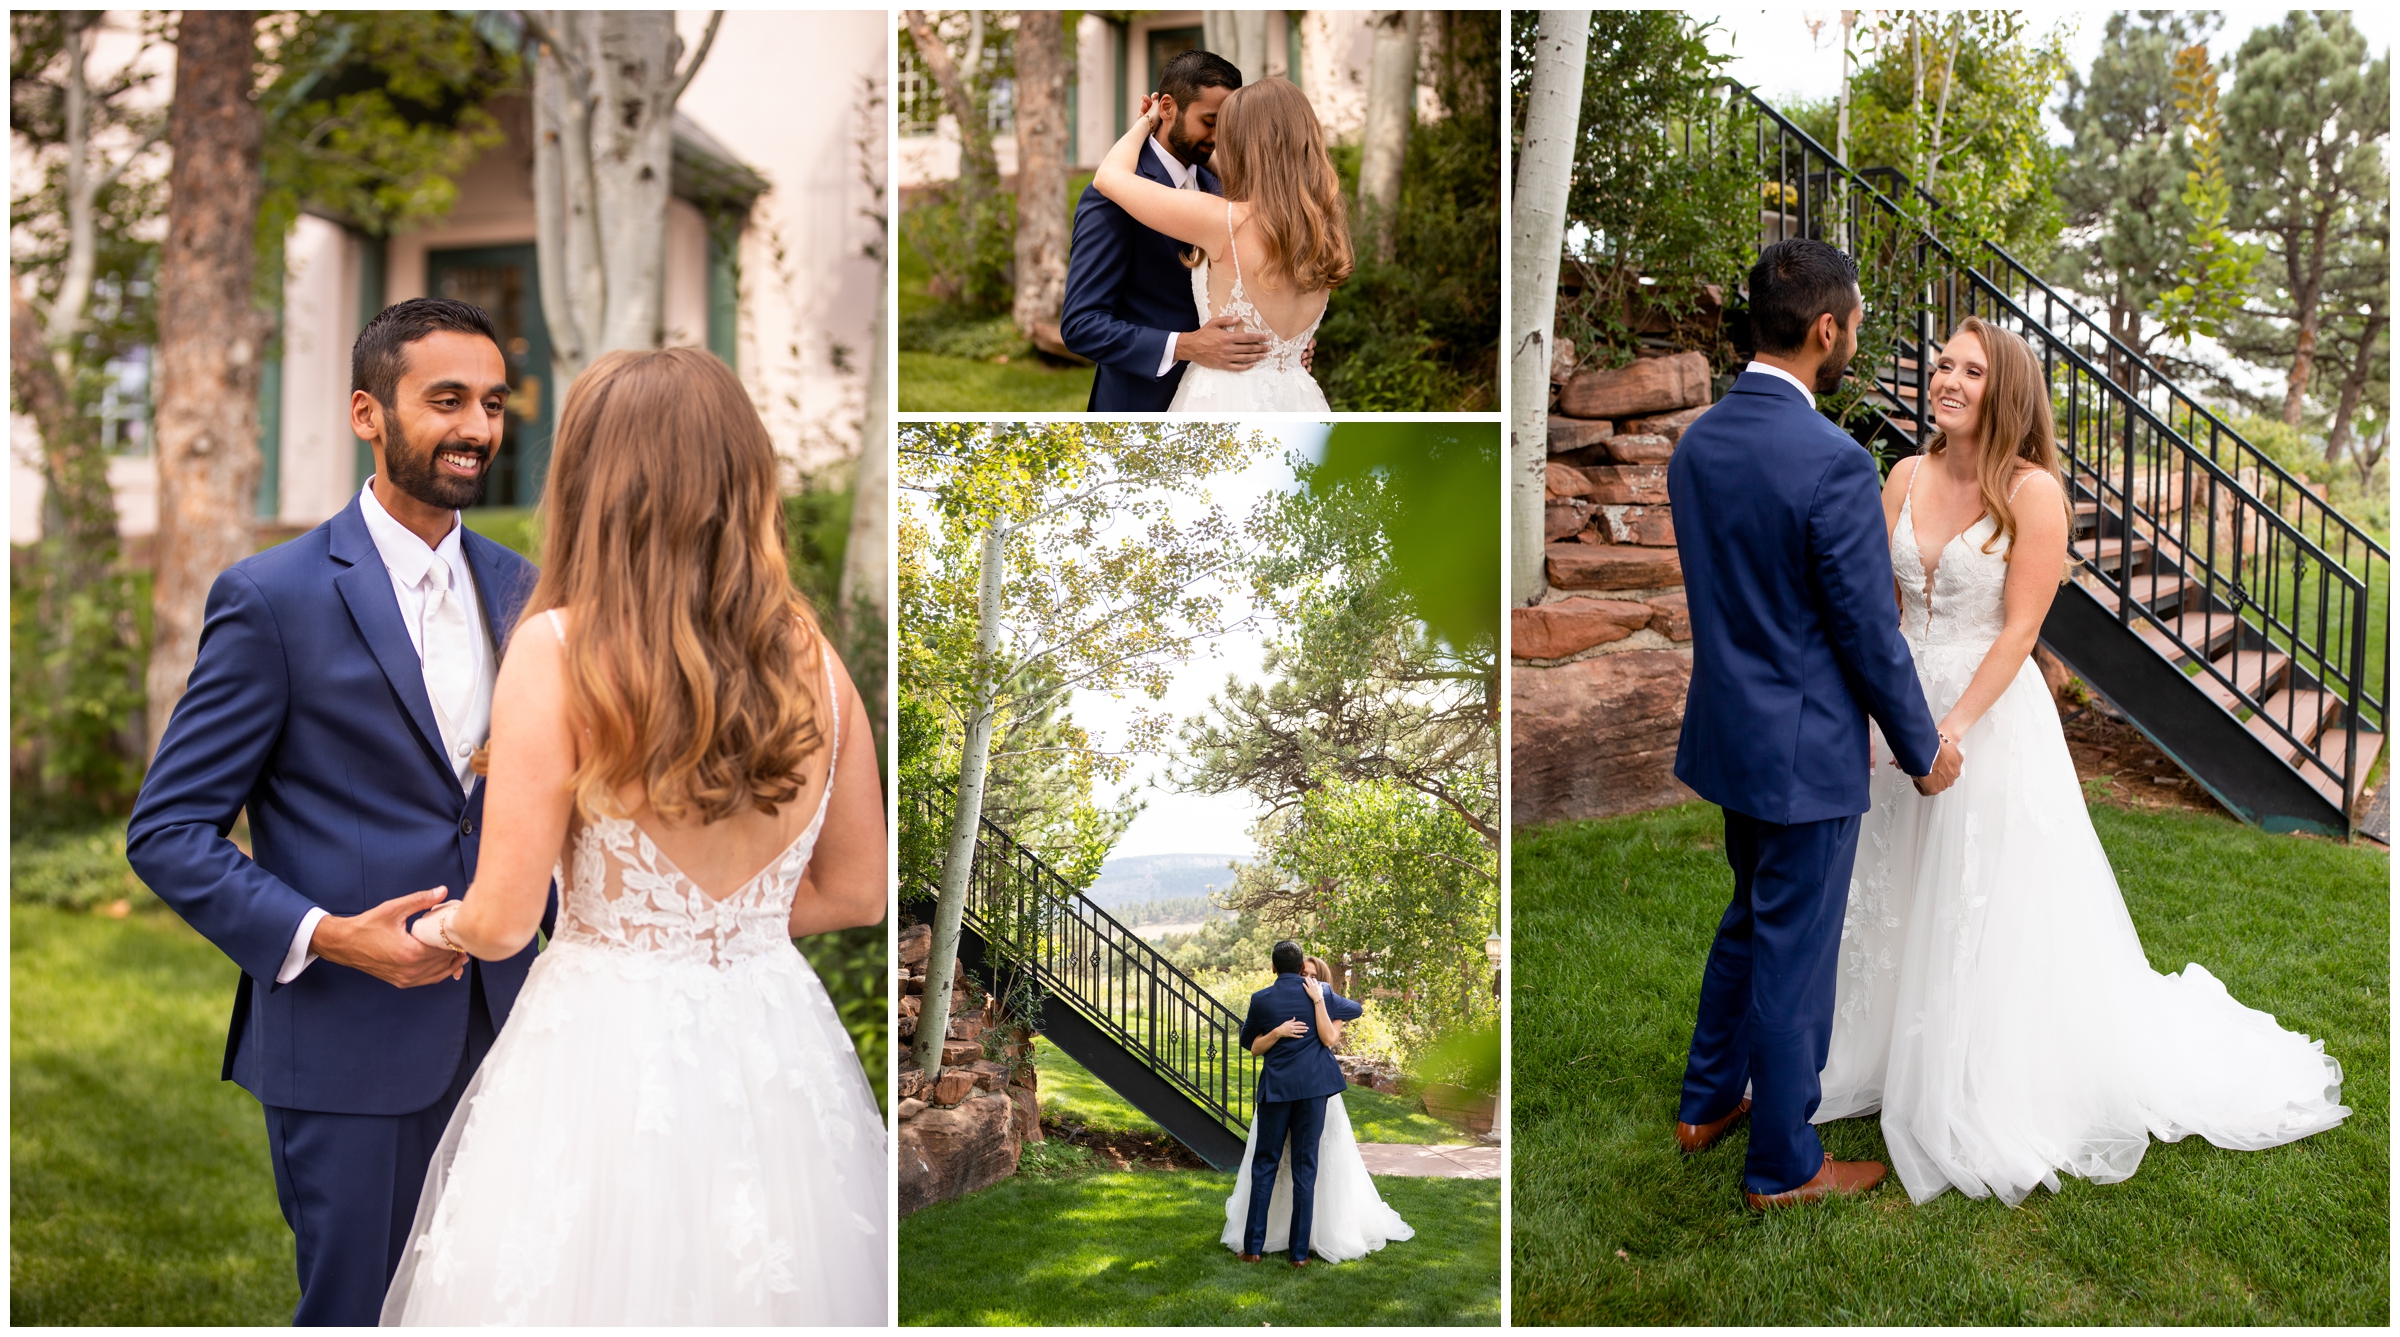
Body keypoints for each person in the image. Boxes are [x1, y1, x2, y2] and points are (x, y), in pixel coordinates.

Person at [379, 346, 888, 1323]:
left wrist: (427, 931)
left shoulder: (561, 649)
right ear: (745, 480)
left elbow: (499, 920)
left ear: (592, 482)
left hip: (602, 1045)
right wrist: (728, 932)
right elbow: (859, 890)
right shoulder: (817, 662)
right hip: (769, 1037)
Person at [1815, 315, 2349, 1205]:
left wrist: (1949, 728)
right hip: (1899, 697)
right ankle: (1870, 1047)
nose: (1945, 379)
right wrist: (1884, 709)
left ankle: (1977, 1064)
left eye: (1969, 371)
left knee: (1978, 891)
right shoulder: (1902, 474)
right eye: (1942, 364)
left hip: (1986, 715)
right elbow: (1877, 602)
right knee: (1887, 874)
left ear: (2006, 391)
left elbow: (2021, 628)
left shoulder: (2034, 494)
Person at [127, 297, 541, 1326]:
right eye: (446, 400)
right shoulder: (272, 597)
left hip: (522, 1030)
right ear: (368, 412)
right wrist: (329, 936)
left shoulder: (526, 591)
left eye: (492, 402)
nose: (478, 428)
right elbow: (168, 829)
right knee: (360, 1308)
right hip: (350, 1044)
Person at [1666, 238, 1962, 1211]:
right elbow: (1869, 636)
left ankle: (1706, 1104)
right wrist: (1923, 749)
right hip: (1806, 753)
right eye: (1857, 327)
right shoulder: (1832, 462)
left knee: (1747, 920)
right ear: (1826, 330)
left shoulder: (1699, 442)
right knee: (1795, 954)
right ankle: (1784, 1161)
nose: (1855, 341)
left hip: (1731, 736)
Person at [1086, 68, 1348, 412]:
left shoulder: (1225, 221)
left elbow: (1109, 177)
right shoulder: (1322, 228)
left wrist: (1148, 122)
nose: (1216, 141)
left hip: (1226, 399)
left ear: (1244, 144)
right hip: (1297, 395)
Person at [1061, 49, 1268, 411]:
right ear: (1167, 107)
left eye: (1228, 124)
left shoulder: (1219, 185)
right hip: (1142, 406)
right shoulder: (1114, 193)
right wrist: (1185, 345)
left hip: (1228, 400)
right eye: (1210, 121)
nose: (1219, 137)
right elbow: (1082, 324)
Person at [1220, 955, 1414, 1263]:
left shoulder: (1261, 999)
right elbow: (1357, 1009)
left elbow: (1249, 1041)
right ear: (1299, 967)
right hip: (1313, 1092)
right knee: (1305, 1169)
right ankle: (1299, 1255)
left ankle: (1253, 1250)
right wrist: (1323, 998)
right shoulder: (1321, 991)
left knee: (1265, 1166)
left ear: (1273, 967)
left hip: (1277, 1091)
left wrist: (1279, 1029)